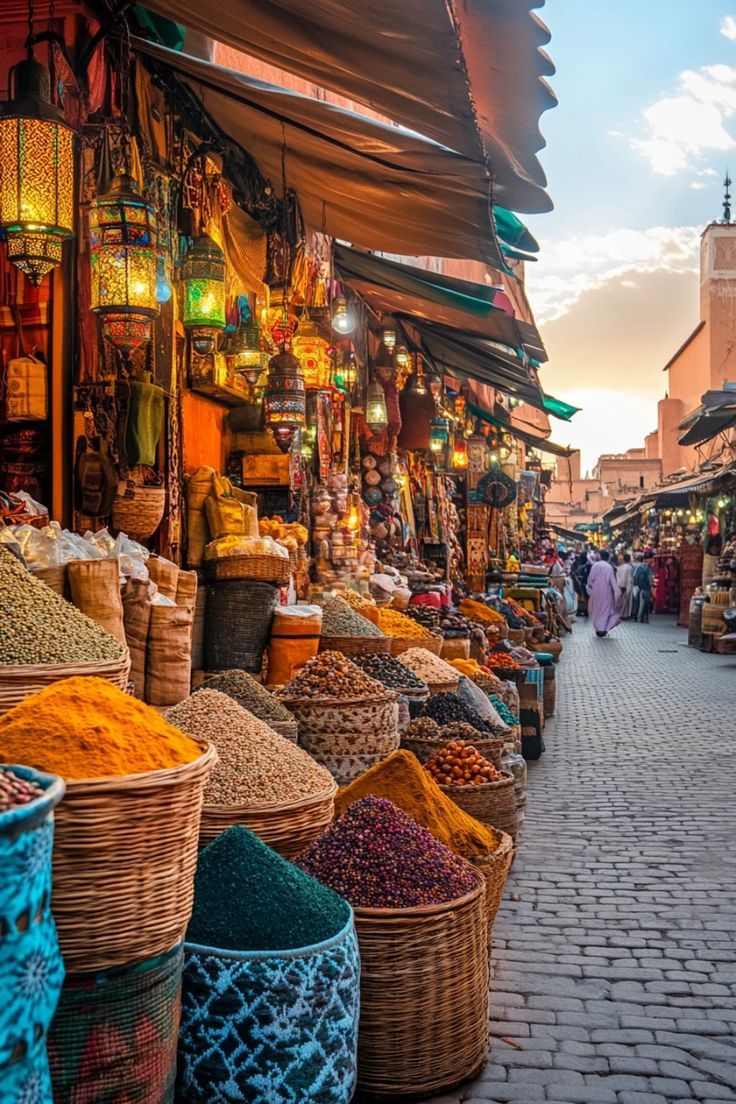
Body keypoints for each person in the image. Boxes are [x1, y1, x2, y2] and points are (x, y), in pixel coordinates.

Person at [586, 549, 621, 637]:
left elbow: (590, 579)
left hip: (596, 592)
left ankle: (599, 629)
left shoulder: (595, 566)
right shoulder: (609, 567)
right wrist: (616, 592)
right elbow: (613, 581)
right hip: (607, 593)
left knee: (597, 610)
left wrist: (590, 589)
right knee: (605, 610)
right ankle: (604, 629)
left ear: (600, 556)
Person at [633, 552, 655, 623]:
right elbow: (650, 578)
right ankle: (641, 618)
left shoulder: (638, 566)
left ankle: (636, 617)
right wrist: (652, 586)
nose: (652, 560)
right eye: (651, 558)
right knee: (645, 603)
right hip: (645, 587)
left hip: (638, 587)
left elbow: (634, 576)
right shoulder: (647, 568)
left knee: (638, 602)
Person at [616, 552, 635, 620]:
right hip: (627, 586)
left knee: (622, 601)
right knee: (626, 602)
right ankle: (625, 615)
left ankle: (621, 614)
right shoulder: (630, 568)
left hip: (619, 585)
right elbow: (630, 579)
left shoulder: (619, 567)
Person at [571, 551, 591, 617]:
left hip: (583, 582)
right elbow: (576, 571)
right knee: (584, 596)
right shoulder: (584, 564)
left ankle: (582, 610)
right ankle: (583, 610)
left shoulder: (586, 564)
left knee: (582, 596)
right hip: (583, 582)